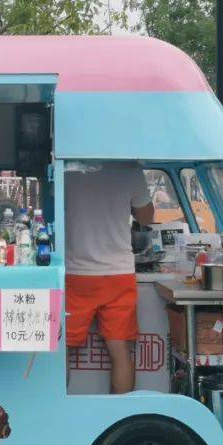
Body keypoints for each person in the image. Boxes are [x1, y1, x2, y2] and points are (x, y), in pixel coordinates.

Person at [63, 163, 154, 394]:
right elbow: (146, 217)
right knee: (119, 350)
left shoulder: (67, 166)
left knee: (61, 349)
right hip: (118, 273)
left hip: (76, 273)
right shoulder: (129, 169)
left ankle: (57, 415)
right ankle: (119, 418)